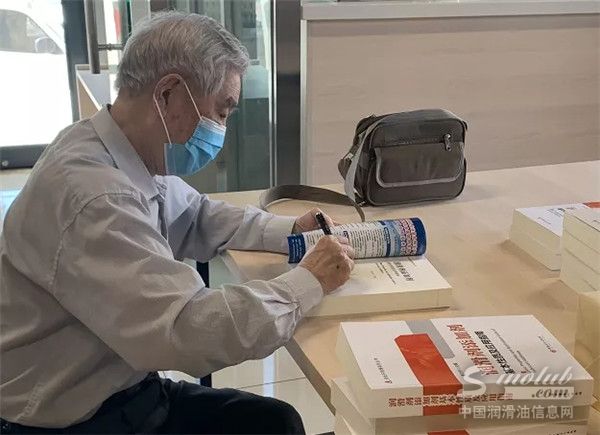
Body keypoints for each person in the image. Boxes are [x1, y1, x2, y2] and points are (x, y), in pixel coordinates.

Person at [0, 12, 355, 435]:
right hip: (78, 421)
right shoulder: (96, 196)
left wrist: (289, 231)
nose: (221, 129)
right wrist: (307, 282)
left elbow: (195, 215)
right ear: (168, 94)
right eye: (221, 111)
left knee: (275, 422)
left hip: (121, 384)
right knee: (274, 425)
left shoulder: (113, 148)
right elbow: (188, 330)